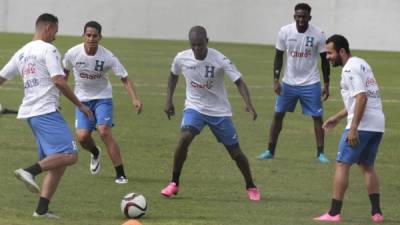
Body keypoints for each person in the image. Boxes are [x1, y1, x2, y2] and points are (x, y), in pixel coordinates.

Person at [0, 13, 93, 219]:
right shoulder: (49, 49)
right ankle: (29, 171)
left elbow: (1, 77)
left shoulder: (22, 52)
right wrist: (81, 105)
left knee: (57, 162)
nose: (56, 37)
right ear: (48, 28)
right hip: (46, 110)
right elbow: (59, 80)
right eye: (55, 32)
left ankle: (41, 209)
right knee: (70, 155)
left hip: (31, 113)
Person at [161, 26, 260, 201]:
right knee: (184, 139)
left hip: (219, 111)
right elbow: (173, 75)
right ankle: (174, 183)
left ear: (207, 41)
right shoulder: (181, 58)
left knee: (235, 153)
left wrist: (248, 104)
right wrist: (168, 99)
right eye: (193, 45)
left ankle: (251, 185)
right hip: (195, 108)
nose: (197, 49)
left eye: (200, 44)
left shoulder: (220, 59)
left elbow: (239, 82)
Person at [314, 35, 385, 222]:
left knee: (342, 165)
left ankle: (333, 213)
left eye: (330, 53)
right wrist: (337, 118)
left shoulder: (348, 69)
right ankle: (376, 213)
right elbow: (357, 99)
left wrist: (353, 128)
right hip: (377, 125)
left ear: (342, 51)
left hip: (362, 125)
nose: (327, 57)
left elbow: (361, 97)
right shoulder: (361, 63)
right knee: (367, 166)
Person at [63, 21, 142, 184]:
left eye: (95, 36)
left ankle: (120, 174)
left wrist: (134, 98)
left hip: (102, 98)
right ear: (83, 36)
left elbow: (125, 78)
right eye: (88, 35)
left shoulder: (107, 56)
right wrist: (57, 95)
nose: (91, 38)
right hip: (81, 101)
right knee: (83, 137)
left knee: (104, 131)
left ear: (100, 37)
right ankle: (95, 152)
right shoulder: (72, 53)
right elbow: (64, 74)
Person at [257, 3, 331, 162]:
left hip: (311, 82)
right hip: (288, 83)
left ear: (309, 18)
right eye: (298, 16)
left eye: (304, 17)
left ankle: (321, 153)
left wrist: (326, 84)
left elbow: (324, 61)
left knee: (317, 117)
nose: (301, 19)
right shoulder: (285, 31)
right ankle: (270, 150)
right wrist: (276, 80)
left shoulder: (319, 34)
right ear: (294, 17)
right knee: (278, 114)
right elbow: (278, 56)